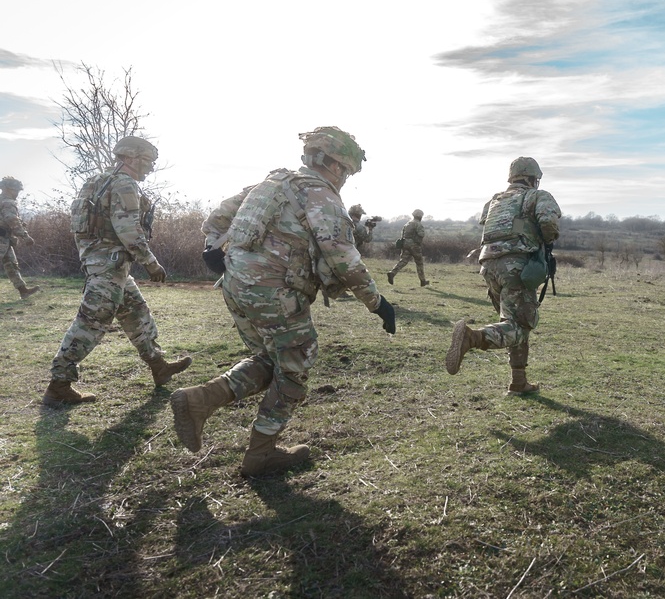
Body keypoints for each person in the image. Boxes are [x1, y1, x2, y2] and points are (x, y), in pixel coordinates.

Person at [171, 126, 396, 477]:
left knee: (272, 358)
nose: (346, 179)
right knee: (296, 362)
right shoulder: (321, 195)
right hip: (276, 290)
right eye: (348, 171)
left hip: (236, 283)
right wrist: (377, 303)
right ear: (336, 165)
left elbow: (217, 217)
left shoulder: (273, 183)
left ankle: (201, 401)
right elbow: (341, 255)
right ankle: (259, 452)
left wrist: (212, 249)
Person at [44, 136, 192, 406]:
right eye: (147, 161)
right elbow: (128, 229)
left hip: (107, 263)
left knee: (136, 312)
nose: (150, 168)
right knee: (92, 321)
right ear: (130, 158)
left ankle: (159, 366)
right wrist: (150, 262)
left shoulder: (98, 181)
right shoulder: (125, 184)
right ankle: (59, 385)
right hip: (109, 266)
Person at [445, 157, 561, 395]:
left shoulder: (495, 201)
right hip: (517, 266)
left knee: (512, 320)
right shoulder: (537, 196)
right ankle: (472, 338)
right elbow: (548, 223)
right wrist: (546, 241)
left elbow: (501, 227)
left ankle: (518, 382)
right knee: (519, 324)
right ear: (533, 178)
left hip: (489, 265)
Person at [0, 177, 41, 299]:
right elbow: (11, 219)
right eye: (16, 190)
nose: (17, 193)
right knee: (11, 264)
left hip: (4, 239)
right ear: (9, 189)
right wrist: (25, 236)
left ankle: (23, 291)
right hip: (1, 238)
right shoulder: (7, 202)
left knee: (11, 264)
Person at [387, 208, 429, 286]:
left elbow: (402, 235)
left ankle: (392, 273)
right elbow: (421, 234)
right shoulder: (418, 224)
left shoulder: (407, 224)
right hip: (414, 245)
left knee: (403, 261)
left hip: (405, 244)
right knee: (419, 263)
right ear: (420, 216)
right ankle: (423, 281)